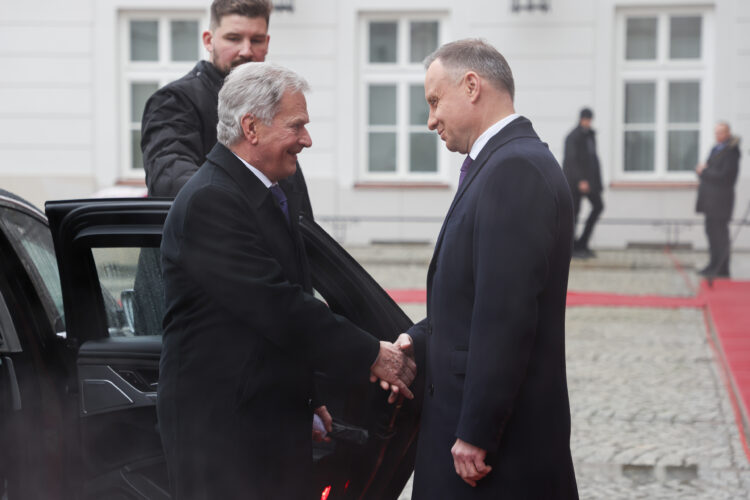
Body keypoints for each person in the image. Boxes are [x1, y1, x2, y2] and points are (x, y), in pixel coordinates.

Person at [158, 62, 416, 499]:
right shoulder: (212, 201)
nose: (307, 139)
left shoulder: (263, 190)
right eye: (296, 126)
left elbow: (293, 296)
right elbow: (278, 307)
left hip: (266, 420)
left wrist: (310, 397)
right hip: (223, 433)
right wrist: (373, 353)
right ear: (251, 127)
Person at [401, 39, 578, 498]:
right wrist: (418, 340)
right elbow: (473, 295)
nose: (431, 119)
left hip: (493, 453)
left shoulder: (514, 168)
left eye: (435, 101)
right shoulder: (500, 163)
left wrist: (476, 431)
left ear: (472, 86)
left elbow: (506, 315)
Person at [140, 0, 312, 218]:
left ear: (267, 43)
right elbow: (171, 181)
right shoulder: (174, 101)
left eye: (256, 40)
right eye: (234, 38)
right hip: (207, 246)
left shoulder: (273, 100)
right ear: (209, 40)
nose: (246, 50)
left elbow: (294, 196)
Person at [695, 121, 741, 278]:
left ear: (728, 133)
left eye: (721, 132)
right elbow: (710, 169)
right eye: (716, 132)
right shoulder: (716, 149)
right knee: (711, 233)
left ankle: (722, 268)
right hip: (710, 200)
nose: (718, 135)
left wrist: (704, 172)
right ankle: (713, 264)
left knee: (720, 235)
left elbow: (725, 176)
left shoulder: (731, 152)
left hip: (721, 202)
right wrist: (702, 171)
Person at [562, 107, 604, 258]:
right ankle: (573, 248)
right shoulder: (573, 137)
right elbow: (571, 161)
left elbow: (592, 160)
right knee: (574, 214)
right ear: (581, 119)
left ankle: (583, 243)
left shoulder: (590, 136)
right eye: (586, 119)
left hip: (591, 182)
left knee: (598, 207)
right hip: (576, 183)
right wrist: (580, 180)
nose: (588, 122)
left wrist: (597, 183)